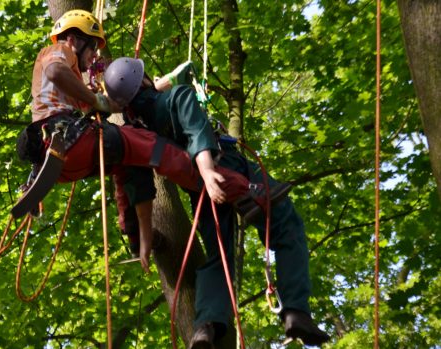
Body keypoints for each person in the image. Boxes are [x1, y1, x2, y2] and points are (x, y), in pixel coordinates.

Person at [18, 9, 288, 275]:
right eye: (91, 50)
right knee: (152, 145)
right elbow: (56, 73)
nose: (92, 59)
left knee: (126, 166)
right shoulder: (60, 51)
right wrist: (95, 100)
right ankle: (238, 189)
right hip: (68, 140)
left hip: (64, 159)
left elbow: (101, 104)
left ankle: (137, 237)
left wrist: (115, 96)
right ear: (75, 40)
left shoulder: (73, 78)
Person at [103, 57, 330, 348]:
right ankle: (296, 310)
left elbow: (140, 189)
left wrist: (145, 238)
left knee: (217, 256)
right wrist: (210, 173)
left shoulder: (136, 136)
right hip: (228, 171)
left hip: (198, 191)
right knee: (286, 223)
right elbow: (197, 130)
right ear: (145, 81)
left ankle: (205, 327)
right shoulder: (177, 96)